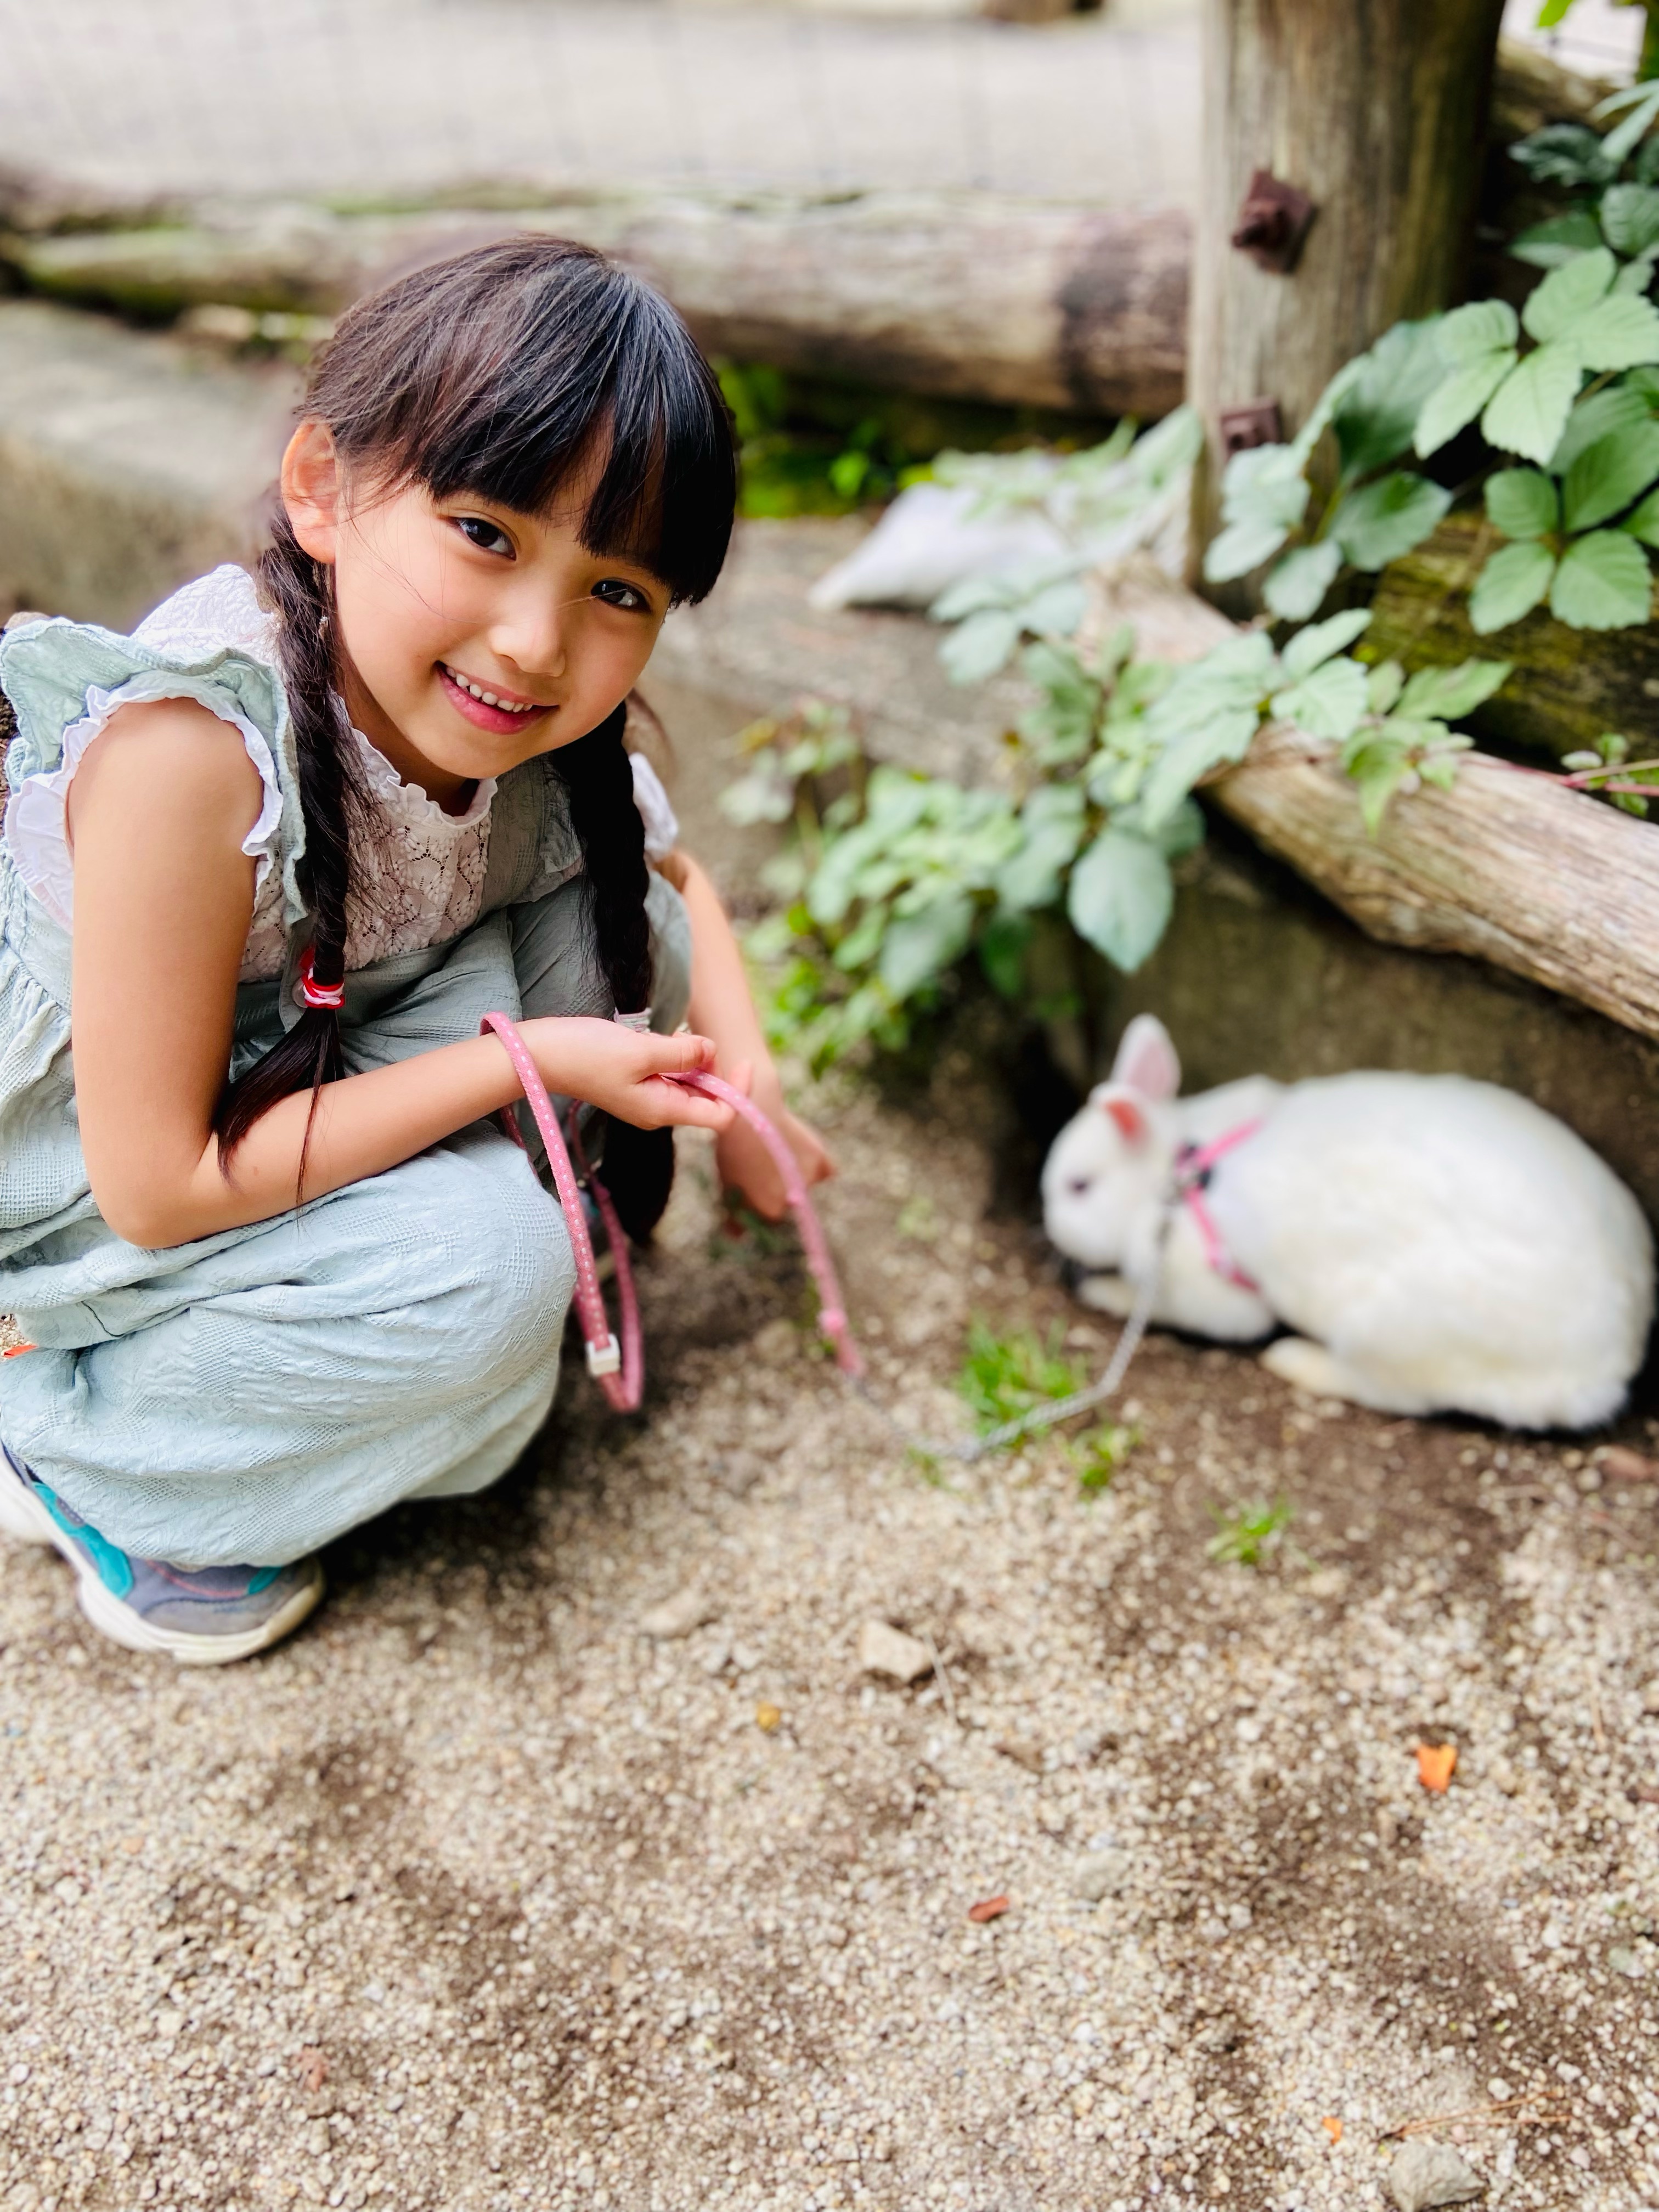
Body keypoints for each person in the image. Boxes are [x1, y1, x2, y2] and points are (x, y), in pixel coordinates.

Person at [0, 238, 831, 1666]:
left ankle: (371, 1331)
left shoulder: (518, 736)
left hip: (305, 1031)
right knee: (488, 1280)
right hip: (86, 1150)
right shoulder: (195, 760)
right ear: (322, 490)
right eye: (488, 534)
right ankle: (84, 1451)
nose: (533, 642)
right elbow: (159, 1181)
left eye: (616, 593)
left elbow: (680, 887)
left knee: (627, 938)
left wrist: (752, 1096)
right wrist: (531, 1062)